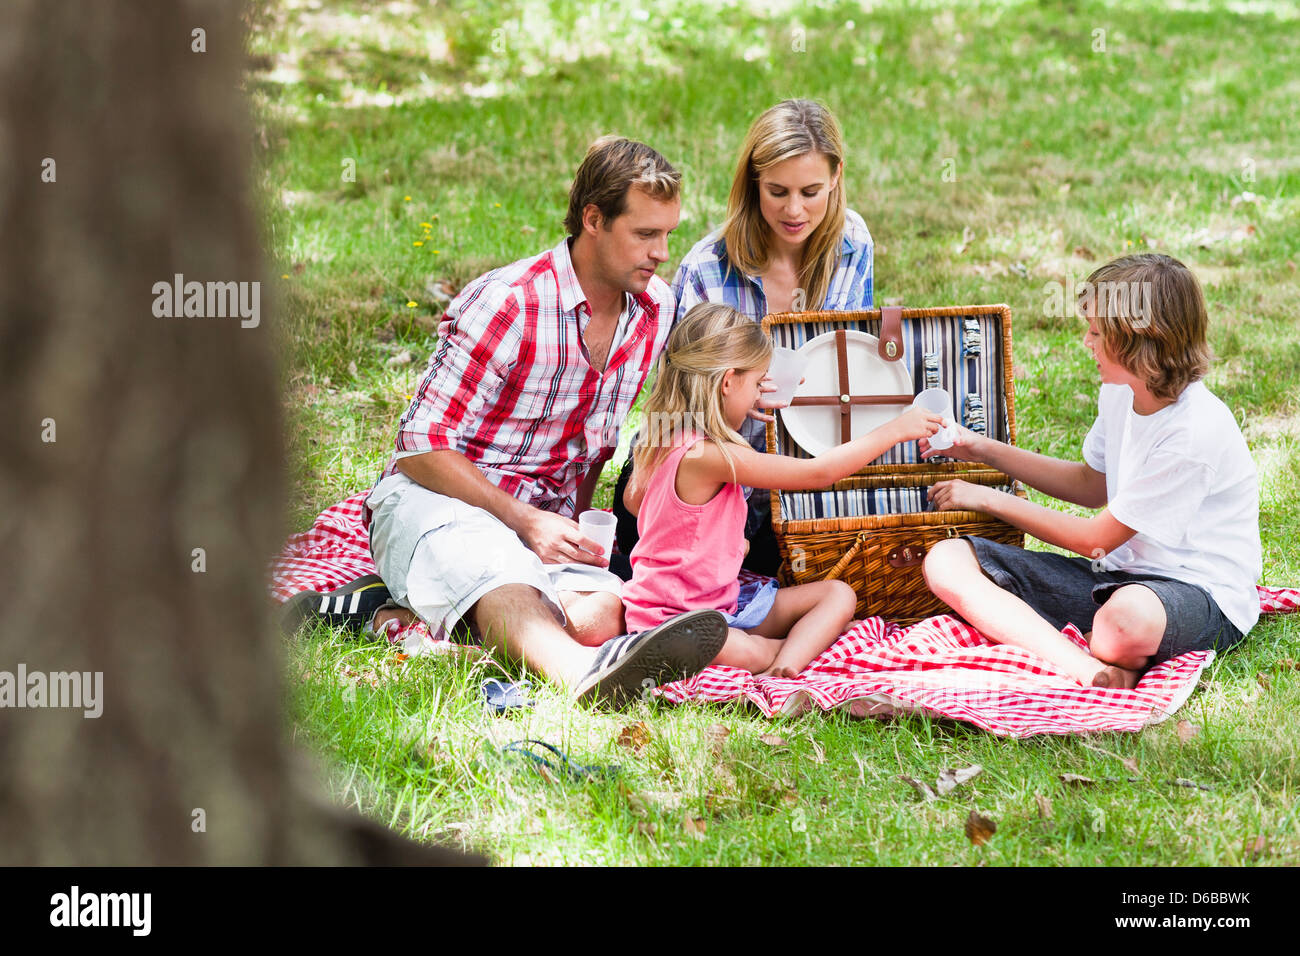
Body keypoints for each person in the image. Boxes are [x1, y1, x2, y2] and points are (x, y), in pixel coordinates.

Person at [361, 137, 728, 704]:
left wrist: (754, 385)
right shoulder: (508, 303)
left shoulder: (655, 309)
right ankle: (584, 677)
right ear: (593, 220)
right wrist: (524, 520)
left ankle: (399, 617)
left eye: (667, 236)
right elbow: (418, 446)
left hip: (541, 526)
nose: (661, 252)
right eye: (645, 235)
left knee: (604, 612)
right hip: (440, 501)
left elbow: (601, 442)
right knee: (503, 575)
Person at [922, 253, 1261, 690]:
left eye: (1097, 332)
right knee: (946, 561)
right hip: (1116, 579)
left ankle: (1098, 648)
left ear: (1141, 340)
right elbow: (1088, 485)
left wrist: (987, 497)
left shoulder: (1195, 431)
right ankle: (1084, 668)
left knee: (1122, 622)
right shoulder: (1122, 390)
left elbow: (1095, 541)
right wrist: (980, 448)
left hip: (1197, 593)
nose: (1087, 341)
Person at [613, 99, 875, 577]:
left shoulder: (852, 245)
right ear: (753, 182)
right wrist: (728, 394)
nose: (794, 210)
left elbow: (854, 360)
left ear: (836, 177)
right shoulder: (706, 267)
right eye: (777, 191)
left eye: (811, 191)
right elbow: (678, 406)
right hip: (701, 499)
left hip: (797, 489)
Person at [621, 304, 945, 676]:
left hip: (722, 606)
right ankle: (787, 660)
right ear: (727, 382)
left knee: (839, 594)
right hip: (675, 622)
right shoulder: (709, 455)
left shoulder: (666, 436)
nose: (761, 394)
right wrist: (895, 430)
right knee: (750, 652)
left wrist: (721, 544)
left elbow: (636, 503)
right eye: (758, 384)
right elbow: (817, 473)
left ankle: (790, 654)